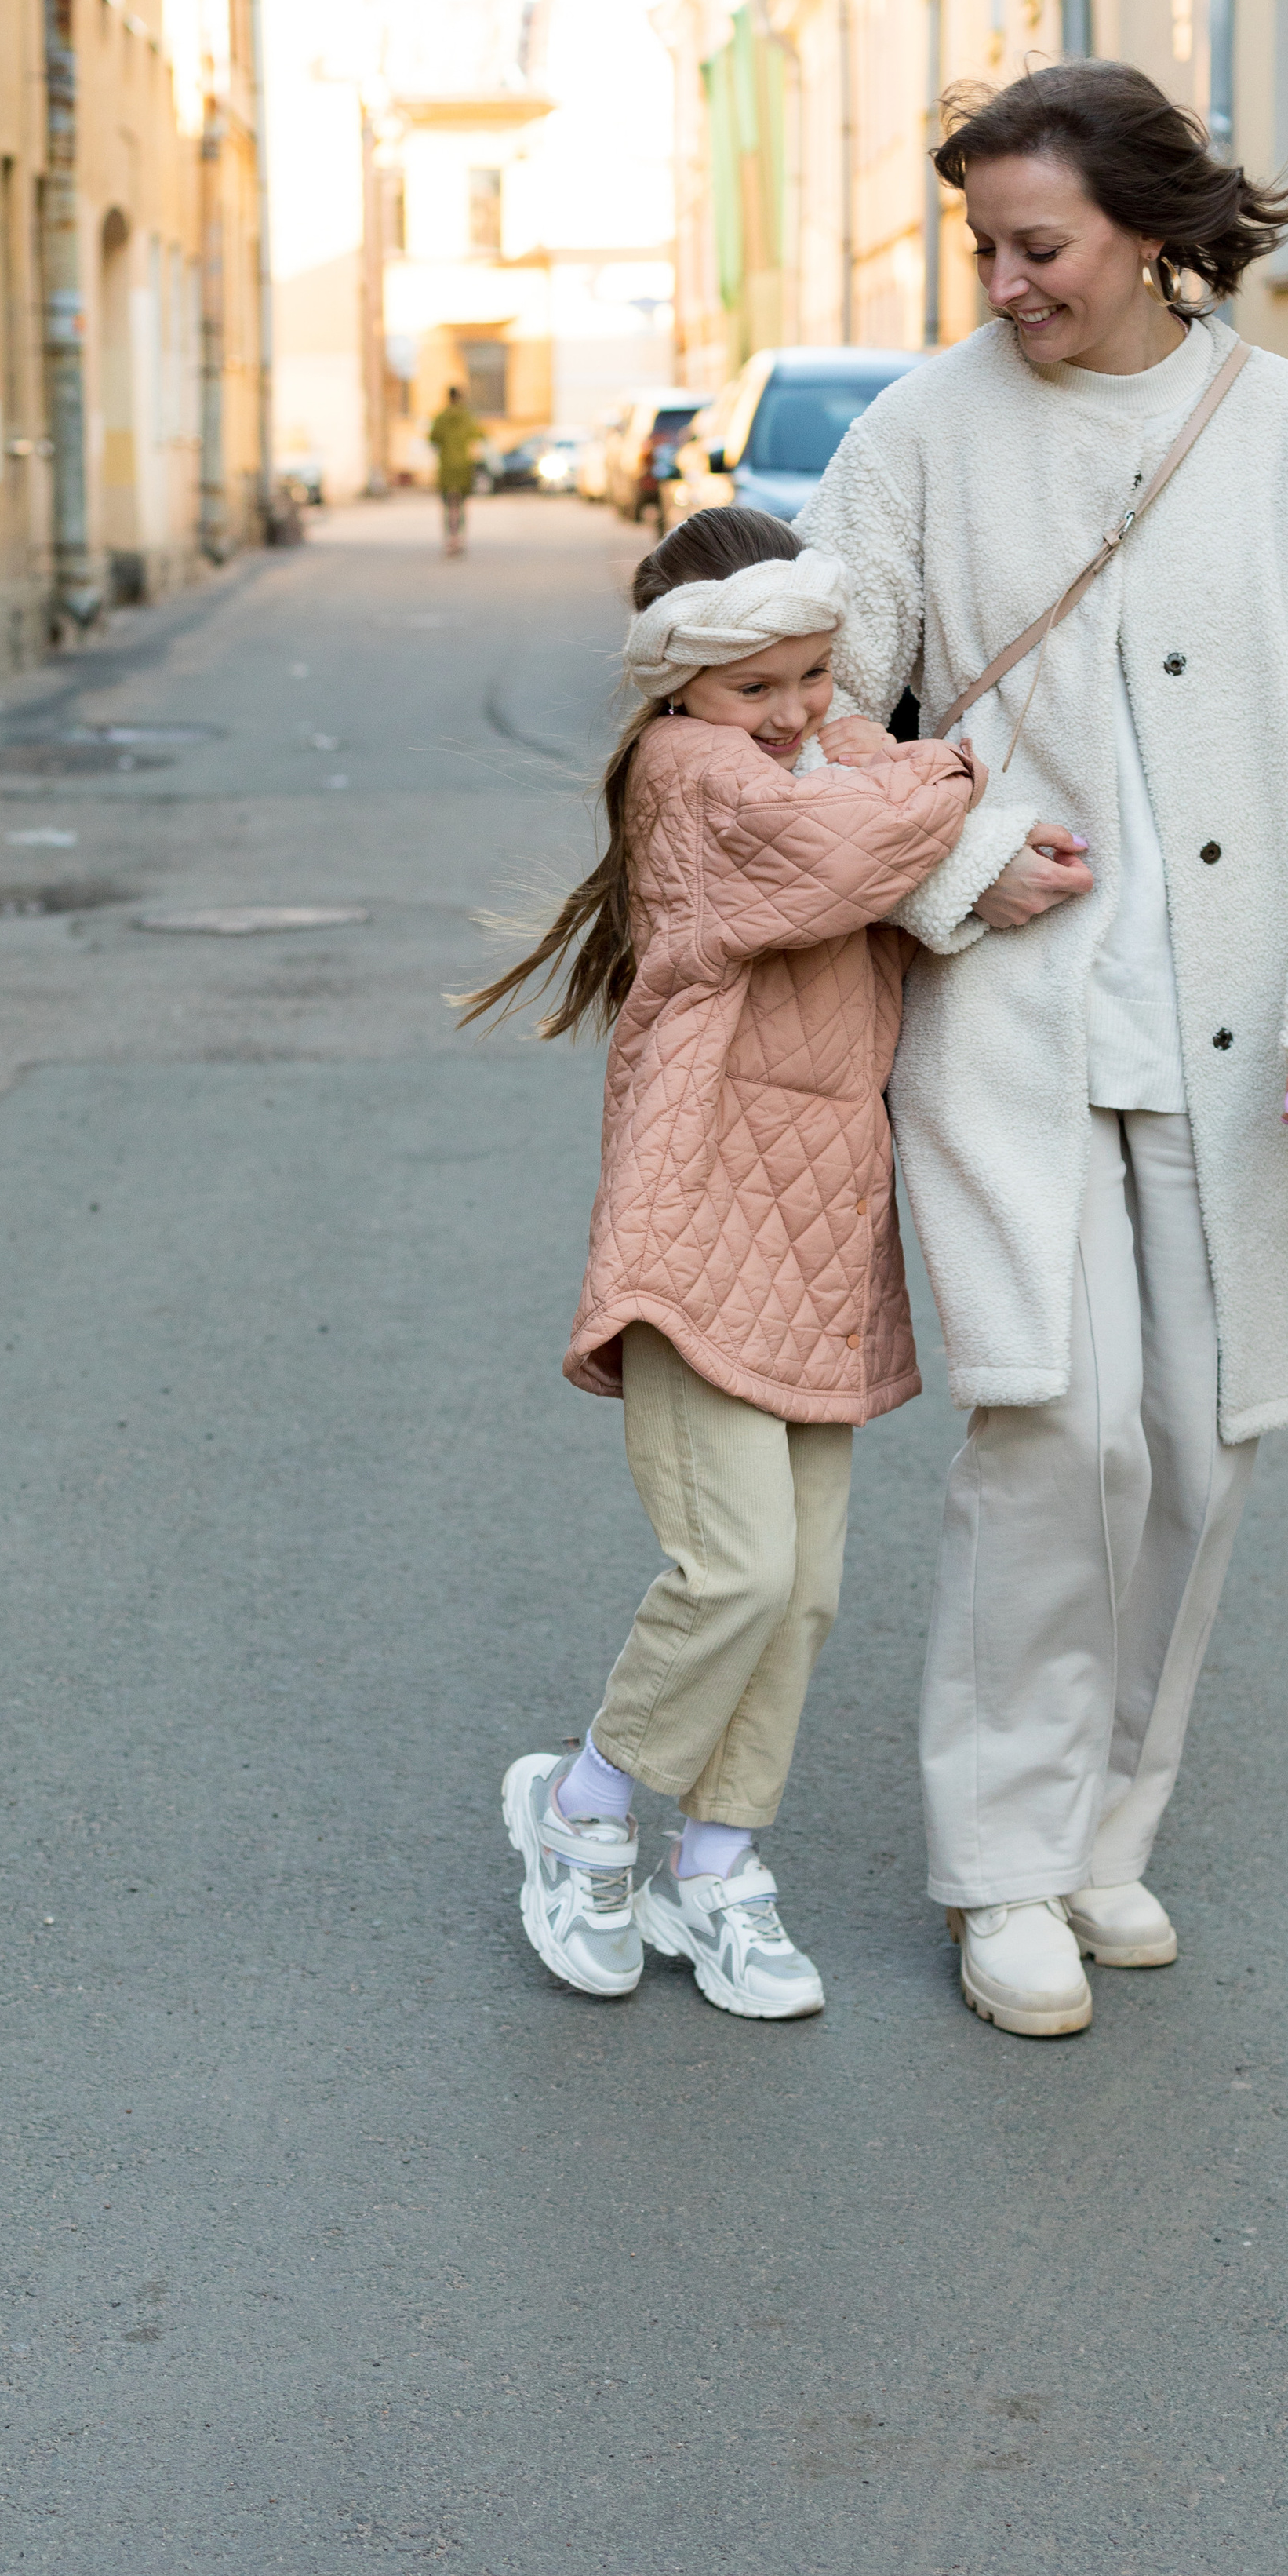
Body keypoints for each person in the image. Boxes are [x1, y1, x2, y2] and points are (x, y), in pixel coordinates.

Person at [794, 60, 1288, 2039]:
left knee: (1194, 1433)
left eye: (1040, 246)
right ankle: (999, 1865)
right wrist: (955, 862)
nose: (1004, 283)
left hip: (1236, 1023)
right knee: (1053, 1427)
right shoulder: (919, 435)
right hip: (1008, 1016)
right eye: (982, 249)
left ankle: (1107, 1832)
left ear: (1150, 231)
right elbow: (809, 706)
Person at [459, 510, 986, 2016]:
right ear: (680, 684)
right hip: (697, 1208)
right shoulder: (689, 773)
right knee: (738, 1566)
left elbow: (858, 794)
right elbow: (847, 853)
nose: (795, 710)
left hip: (818, 1219)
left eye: (815, 675)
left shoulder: (798, 752)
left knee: (803, 1590)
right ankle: (583, 1807)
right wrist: (951, 769)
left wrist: (878, 752)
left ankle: (719, 1868)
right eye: (755, 684)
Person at [428, 386, 486, 556]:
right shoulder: (467, 417)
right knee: (460, 505)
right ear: (460, 398)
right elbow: (479, 436)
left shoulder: (441, 417)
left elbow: (433, 439)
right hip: (463, 466)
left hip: (446, 467)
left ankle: (450, 539)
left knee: (448, 505)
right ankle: (459, 539)